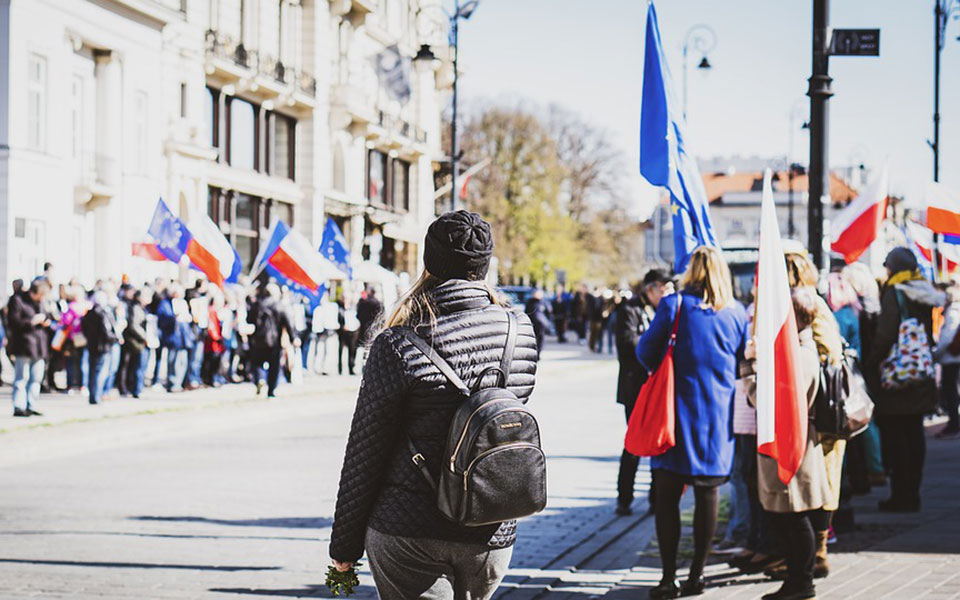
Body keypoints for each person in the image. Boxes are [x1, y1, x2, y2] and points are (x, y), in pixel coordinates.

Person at [329, 210, 539, 599]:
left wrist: (344, 547)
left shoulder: (397, 342)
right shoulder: (520, 331)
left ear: (429, 263)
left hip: (410, 528)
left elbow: (365, 451)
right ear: (486, 264)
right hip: (492, 525)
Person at [635, 247, 747, 598]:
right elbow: (743, 358)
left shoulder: (674, 305)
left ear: (691, 271)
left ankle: (668, 578)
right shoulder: (736, 313)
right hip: (717, 418)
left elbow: (644, 352)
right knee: (709, 493)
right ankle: (697, 575)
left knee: (667, 498)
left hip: (675, 415)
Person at [757, 288, 833, 600]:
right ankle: (796, 580)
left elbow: (779, 401)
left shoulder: (800, 353)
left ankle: (802, 582)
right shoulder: (799, 348)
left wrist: (751, 373)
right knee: (790, 515)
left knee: (795, 514)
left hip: (796, 445)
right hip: (797, 443)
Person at [863, 248, 944, 512]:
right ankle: (913, 491)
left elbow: (886, 335)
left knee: (897, 437)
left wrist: (873, 361)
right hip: (919, 373)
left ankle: (902, 495)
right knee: (914, 435)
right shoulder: (923, 292)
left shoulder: (895, 292)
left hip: (897, 376)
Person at [783, 250, 845, 577]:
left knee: (823, 480)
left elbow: (829, 353)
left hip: (822, 408)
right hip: (819, 406)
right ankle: (812, 551)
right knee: (821, 479)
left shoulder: (808, 303)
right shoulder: (813, 300)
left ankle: (817, 552)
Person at [614, 269, 670, 517]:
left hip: (658, 387)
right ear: (650, 288)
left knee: (659, 444)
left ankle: (657, 500)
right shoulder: (630, 309)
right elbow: (627, 344)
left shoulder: (664, 310)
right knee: (634, 444)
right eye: (663, 289)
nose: (666, 293)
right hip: (635, 386)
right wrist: (654, 343)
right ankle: (624, 498)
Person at [7, 278, 52, 416]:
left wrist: (46, 320)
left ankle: (31, 404)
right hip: (24, 344)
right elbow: (13, 322)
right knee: (21, 377)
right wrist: (31, 322)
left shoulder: (41, 303)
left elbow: (47, 315)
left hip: (39, 345)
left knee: (36, 378)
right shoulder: (17, 300)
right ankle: (19, 406)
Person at [246, 283, 294, 398]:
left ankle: (260, 379)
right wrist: (293, 338)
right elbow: (288, 323)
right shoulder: (279, 306)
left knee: (257, 363)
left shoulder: (257, 304)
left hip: (258, 340)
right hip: (274, 340)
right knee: (274, 367)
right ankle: (271, 390)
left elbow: (249, 319)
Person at [81, 291, 120, 406]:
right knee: (100, 372)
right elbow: (106, 332)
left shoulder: (89, 314)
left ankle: (94, 395)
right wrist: (115, 338)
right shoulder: (102, 314)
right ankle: (96, 395)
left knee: (93, 371)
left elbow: (84, 328)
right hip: (102, 346)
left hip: (92, 345)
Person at [935, 283, 960, 439]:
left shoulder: (953, 313)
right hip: (953, 357)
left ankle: (954, 424)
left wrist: (935, 354)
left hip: (952, 357)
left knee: (951, 391)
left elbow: (946, 338)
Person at [120, 289, 150, 398]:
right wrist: (145, 337)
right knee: (137, 366)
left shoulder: (143, 309)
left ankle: (137, 387)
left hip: (142, 340)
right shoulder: (135, 309)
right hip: (137, 341)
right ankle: (135, 388)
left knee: (140, 366)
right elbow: (134, 325)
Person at [338, 294, 361, 376]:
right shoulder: (340, 309)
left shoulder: (354, 308)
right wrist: (342, 327)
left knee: (352, 351)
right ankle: (340, 369)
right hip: (343, 332)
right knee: (341, 351)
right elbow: (338, 320)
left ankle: (351, 368)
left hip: (353, 331)